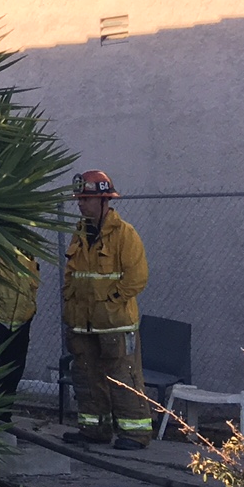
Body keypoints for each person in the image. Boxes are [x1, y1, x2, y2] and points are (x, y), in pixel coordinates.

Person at [62, 169, 151, 448]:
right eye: (79, 199)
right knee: (87, 377)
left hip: (115, 323)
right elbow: (72, 275)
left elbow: (137, 278)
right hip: (82, 323)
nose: (80, 203)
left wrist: (110, 302)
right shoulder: (79, 234)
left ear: (104, 200)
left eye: (86, 199)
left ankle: (135, 433)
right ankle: (94, 430)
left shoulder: (125, 234)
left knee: (123, 377)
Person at [0, 249, 40, 416]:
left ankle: (4, 421)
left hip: (20, 324)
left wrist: (30, 312)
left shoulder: (27, 249)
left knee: (13, 376)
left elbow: (31, 283)